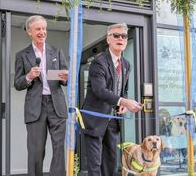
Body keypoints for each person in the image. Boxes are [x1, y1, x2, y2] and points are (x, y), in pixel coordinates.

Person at [81, 23, 142, 176]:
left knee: (111, 162)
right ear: (108, 39)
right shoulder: (98, 62)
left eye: (124, 36)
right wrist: (124, 101)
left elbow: (124, 90)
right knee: (95, 165)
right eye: (116, 35)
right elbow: (100, 90)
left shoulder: (127, 64)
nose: (120, 38)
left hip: (113, 120)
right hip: (94, 119)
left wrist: (123, 103)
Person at [14, 15, 68, 176]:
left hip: (56, 105)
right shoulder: (22, 55)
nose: (42, 32)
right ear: (29, 32)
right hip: (35, 108)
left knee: (59, 149)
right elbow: (17, 83)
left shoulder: (56, 52)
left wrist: (66, 77)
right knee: (36, 151)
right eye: (38, 29)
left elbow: (66, 79)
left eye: (44, 28)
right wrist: (29, 76)